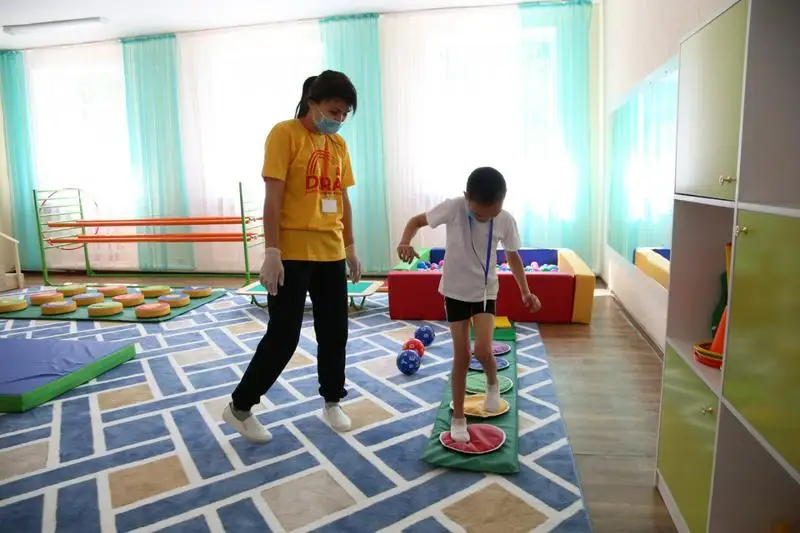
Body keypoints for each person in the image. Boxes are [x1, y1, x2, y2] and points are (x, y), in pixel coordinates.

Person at [223, 71, 362, 443]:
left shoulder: (338, 145)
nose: (338, 119)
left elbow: (343, 199)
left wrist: (350, 247)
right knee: (284, 337)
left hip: (330, 251)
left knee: (335, 332)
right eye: (333, 110)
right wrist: (272, 252)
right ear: (312, 102)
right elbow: (273, 198)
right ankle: (240, 407)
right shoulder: (284, 134)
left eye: (344, 114)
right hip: (291, 254)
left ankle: (332, 400)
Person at [397, 167, 541, 442]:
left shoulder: (505, 220)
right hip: (455, 292)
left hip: (486, 292)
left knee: (483, 350)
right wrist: (405, 241)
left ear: (502, 202)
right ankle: (458, 417)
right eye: (479, 214)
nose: (485, 218)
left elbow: (513, 258)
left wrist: (526, 291)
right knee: (462, 356)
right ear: (466, 198)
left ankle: (492, 384)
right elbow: (416, 221)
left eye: (492, 214)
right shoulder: (453, 208)